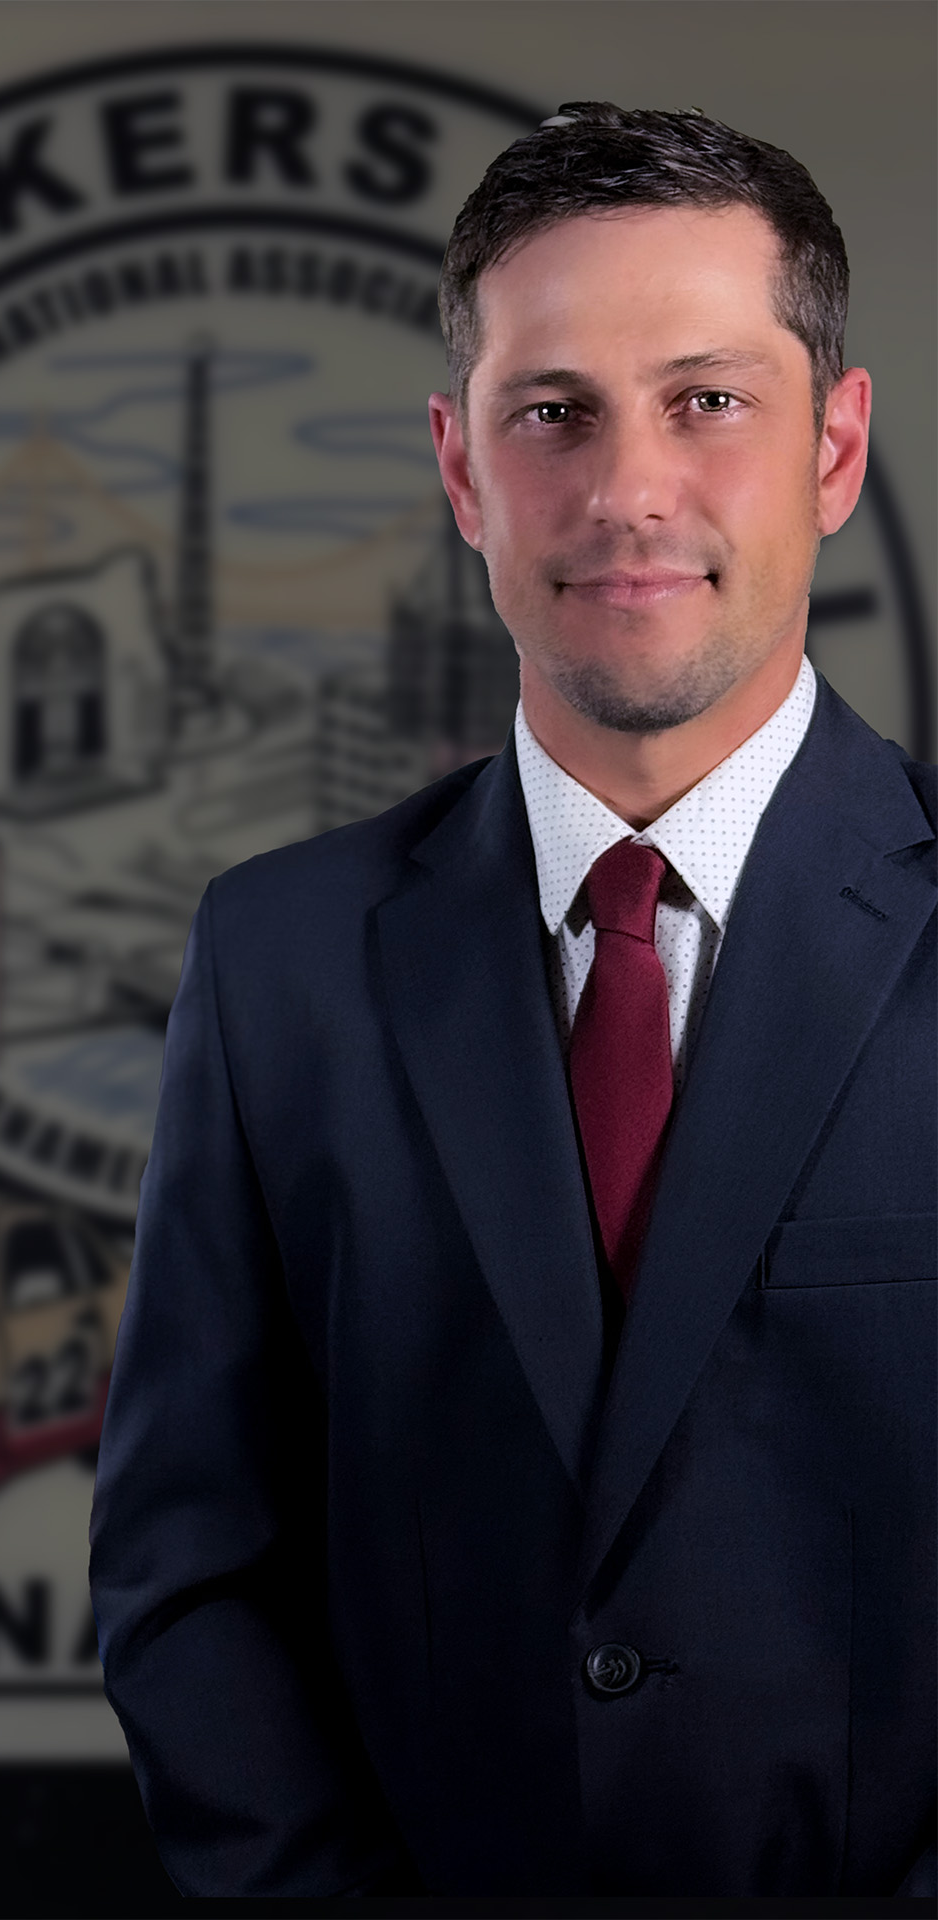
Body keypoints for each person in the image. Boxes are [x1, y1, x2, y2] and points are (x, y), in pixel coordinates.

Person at [88, 103, 935, 1899]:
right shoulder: (281, 965)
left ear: (836, 448)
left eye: (708, 401)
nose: (628, 490)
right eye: (553, 412)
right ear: (462, 472)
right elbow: (192, 1569)